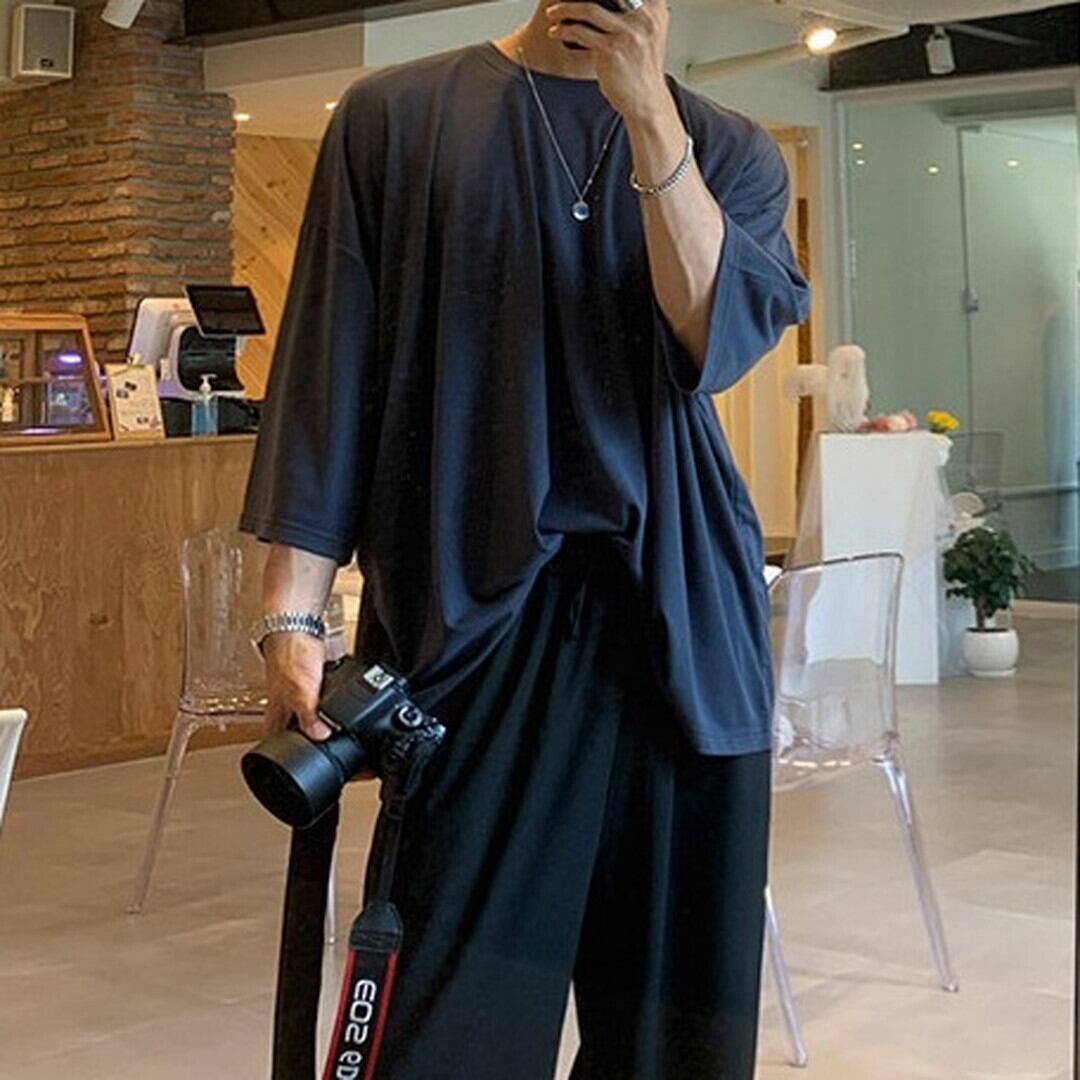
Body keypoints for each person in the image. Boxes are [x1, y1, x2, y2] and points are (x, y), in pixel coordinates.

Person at [240, 0, 810, 1075]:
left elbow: (713, 340)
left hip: (682, 623)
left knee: (675, 1042)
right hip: (473, 622)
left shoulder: (726, 147)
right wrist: (292, 609)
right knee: (445, 1030)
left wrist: (648, 115)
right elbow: (328, 373)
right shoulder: (397, 117)